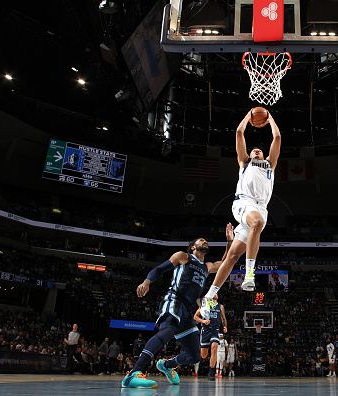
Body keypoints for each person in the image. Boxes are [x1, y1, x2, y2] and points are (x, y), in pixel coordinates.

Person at [121, 224, 234, 389]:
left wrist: (229, 241)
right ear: (193, 246)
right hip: (175, 301)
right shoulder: (183, 257)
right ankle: (134, 373)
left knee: (195, 356)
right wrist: (147, 281)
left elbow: (225, 263)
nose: (206, 242)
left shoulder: (207, 267)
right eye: (202, 240)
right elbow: (160, 269)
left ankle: (167, 365)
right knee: (167, 332)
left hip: (188, 311)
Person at [200, 110, 281, 317]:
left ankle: (209, 297)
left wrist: (269, 118)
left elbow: (277, 137)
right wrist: (248, 115)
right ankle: (250, 274)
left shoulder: (270, 165)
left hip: (260, 207)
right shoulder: (245, 163)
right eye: (253, 150)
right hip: (243, 203)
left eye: (258, 151)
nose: (255, 151)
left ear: (264, 155)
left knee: (233, 255)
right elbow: (238, 132)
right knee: (257, 222)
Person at [194, 294, 227, 380]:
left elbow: (223, 319)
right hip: (205, 331)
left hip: (215, 330)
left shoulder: (220, 306)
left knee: (214, 347)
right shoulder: (205, 305)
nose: (215, 294)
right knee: (203, 355)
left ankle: (211, 372)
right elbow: (195, 316)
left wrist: (225, 326)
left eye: (217, 293)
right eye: (214, 293)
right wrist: (203, 321)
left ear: (218, 297)